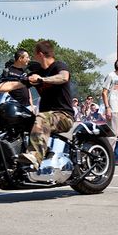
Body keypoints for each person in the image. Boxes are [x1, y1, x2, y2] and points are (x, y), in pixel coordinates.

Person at [14, 40, 75, 170]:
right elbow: (15, 85)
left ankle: (35, 156)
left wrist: (42, 80)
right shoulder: (37, 72)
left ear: (40, 54)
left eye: (34, 54)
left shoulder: (59, 66)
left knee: (42, 118)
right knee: (21, 120)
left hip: (64, 115)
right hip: (47, 115)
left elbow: (63, 77)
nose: (32, 57)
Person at [101, 61, 118, 141]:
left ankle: (111, 152)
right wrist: (107, 108)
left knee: (116, 134)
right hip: (112, 109)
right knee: (112, 134)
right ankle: (109, 152)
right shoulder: (110, 76)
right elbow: (104, 92)